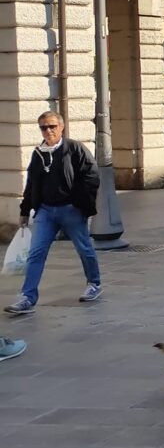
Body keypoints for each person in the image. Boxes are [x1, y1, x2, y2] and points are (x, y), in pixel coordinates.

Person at [6, 112, 102, 315]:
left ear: (61, 127)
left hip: (71, 209)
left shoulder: (74, 148)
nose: (48, 131)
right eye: (43, 127)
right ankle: (27, 298)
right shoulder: (38, 153)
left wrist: (82, 202)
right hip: (45, 211)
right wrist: (25, 210)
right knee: (36, 253)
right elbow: (31, 184)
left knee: (84, 248)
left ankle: (94, 283)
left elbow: (91, 174)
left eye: (51, 126)